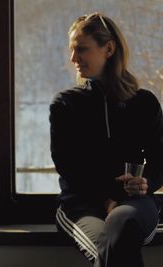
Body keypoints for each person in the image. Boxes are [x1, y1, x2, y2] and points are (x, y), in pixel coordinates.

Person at [50, 13, 163, 267]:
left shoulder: (145, 103)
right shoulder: (66, 105)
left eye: (81, 49)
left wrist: (146, 183)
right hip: (81, 207)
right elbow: (69, 170)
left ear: (108, 49)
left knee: (122, 225)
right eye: (72, 50)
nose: (73, 58)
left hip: (134, 205)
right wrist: (105, 199)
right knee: (112, 246)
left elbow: (160, 161)